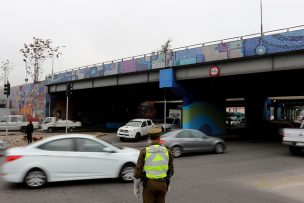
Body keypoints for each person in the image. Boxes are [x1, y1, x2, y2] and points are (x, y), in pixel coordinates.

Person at [134, 127, 174, 203]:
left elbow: (138, 170)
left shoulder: (144, 151)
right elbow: (171, 170)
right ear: (159, 137)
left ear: (150, 138)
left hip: (149, 185)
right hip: (163, 184)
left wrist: (137, 186)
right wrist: (167, 183)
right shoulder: (167, 151)